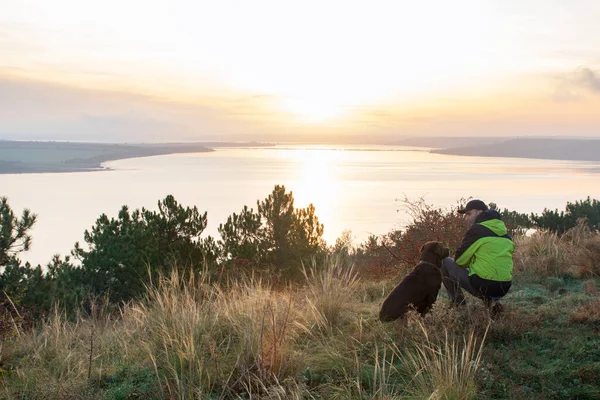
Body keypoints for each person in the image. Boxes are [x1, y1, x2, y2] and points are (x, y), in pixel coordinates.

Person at [441, 199, 514, 316]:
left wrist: (468, 262)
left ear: (480, 212)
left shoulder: (477, 231)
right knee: (484, 269)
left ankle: (458, 305)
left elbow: (460, 260)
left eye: (468, 214)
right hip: (504, 286)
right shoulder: (506, 235)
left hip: (484, 285)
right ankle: (493, 302)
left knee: (445, 262)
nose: (466, 218)